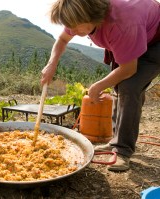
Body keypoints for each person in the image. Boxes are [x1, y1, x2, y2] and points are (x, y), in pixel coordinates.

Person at [41, 0, 160, 171]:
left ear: (91, 17)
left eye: (75, 27)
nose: (72, 31)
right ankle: (115, 142)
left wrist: (98, 86)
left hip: (155, 41)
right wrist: (51, 64)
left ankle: (123, 150)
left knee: (129, 87)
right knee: (119, 87)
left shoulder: (122, 22)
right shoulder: (77, 17)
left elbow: (129, 69)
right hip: (131, 35)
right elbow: (62, 39)